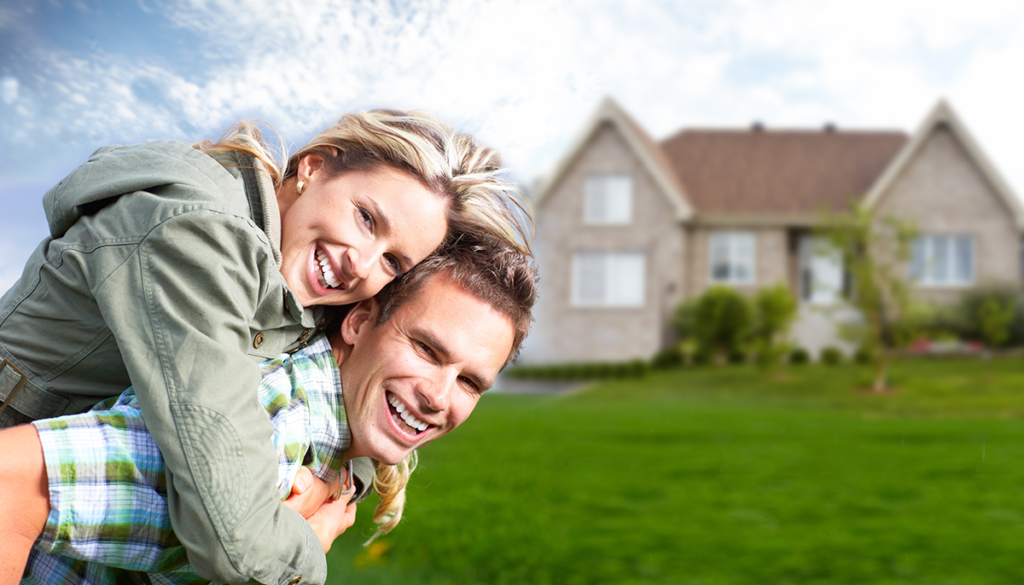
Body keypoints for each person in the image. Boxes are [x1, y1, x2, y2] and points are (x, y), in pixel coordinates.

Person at [0, 110, 530, 585]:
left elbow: (365, 387)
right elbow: (232, 534)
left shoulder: (306, 280)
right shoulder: (198, 235)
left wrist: (341, 481)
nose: (363, 264)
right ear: (313, 168)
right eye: (367, 219)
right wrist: (310, 550)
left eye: (393, 262)